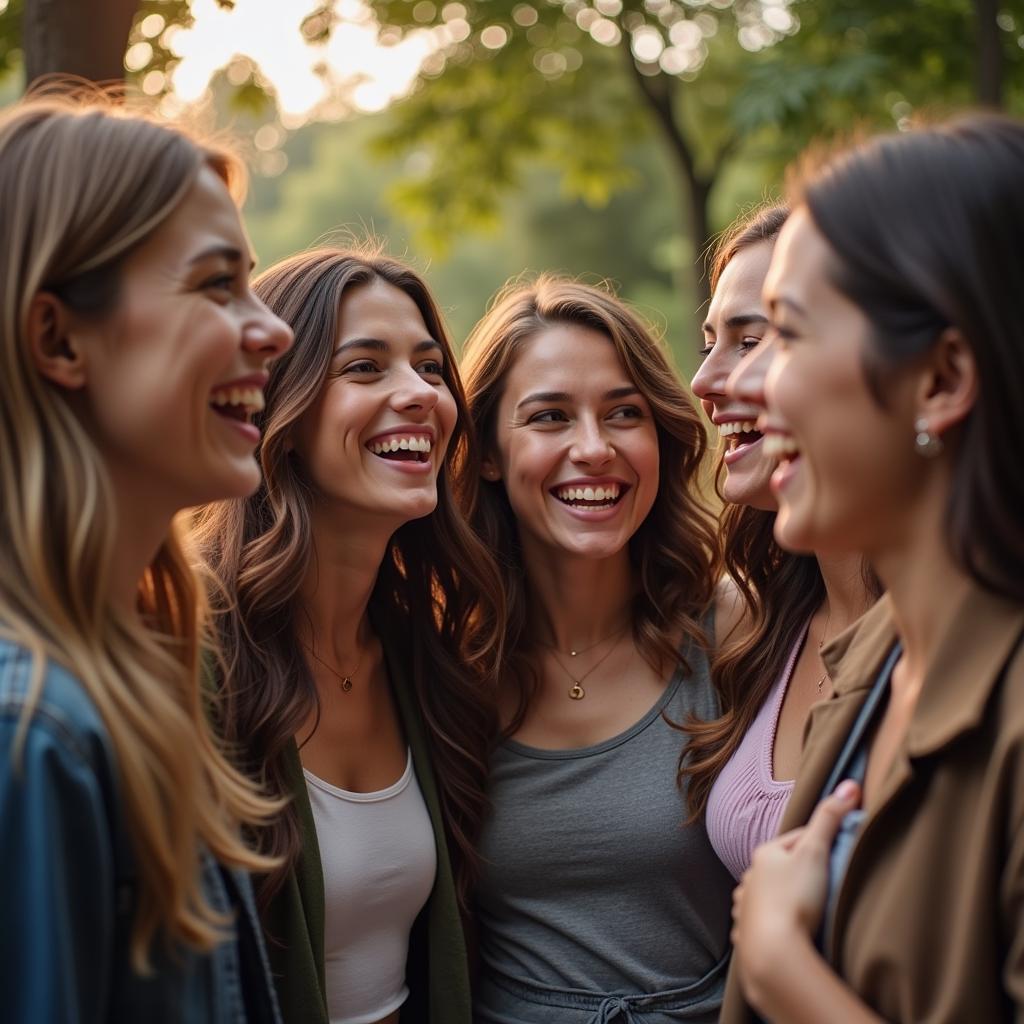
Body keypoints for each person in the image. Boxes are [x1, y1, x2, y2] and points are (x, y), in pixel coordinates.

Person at [0, 92, 294, 1022]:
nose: (273, 329)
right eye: (216, 285)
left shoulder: (132, 669)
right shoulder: (31, 736)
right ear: (58, 337)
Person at [723, 114, 1024, 1022]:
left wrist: (785, 972)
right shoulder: (877, 661)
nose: (745, 385)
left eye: (788, 334)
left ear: (940, 380)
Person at [193, 246, 504, 1024]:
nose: (419, 395)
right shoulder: (190, 654)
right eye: (365, 368)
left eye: (431, 369)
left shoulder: (427, 655)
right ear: (279, 412)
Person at [460, 275, 733, 1023]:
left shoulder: (733, 629)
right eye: (549, 417)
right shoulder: (442, 661)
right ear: (487, 452)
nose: (594, 448)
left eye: (624, 413)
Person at [687, 204, 877, 879]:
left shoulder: (953, 637)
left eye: (750, 340)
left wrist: (778, 962)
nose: (705, 382)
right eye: (709, 341)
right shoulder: (761, 623)